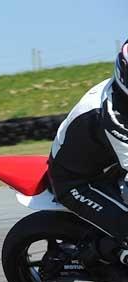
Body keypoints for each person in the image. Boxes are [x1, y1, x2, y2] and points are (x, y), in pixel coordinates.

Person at [48, 39, 128, 264]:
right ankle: (97, 259)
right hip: (76, 181)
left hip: (106, 164)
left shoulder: (123, 98)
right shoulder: (115, 118)